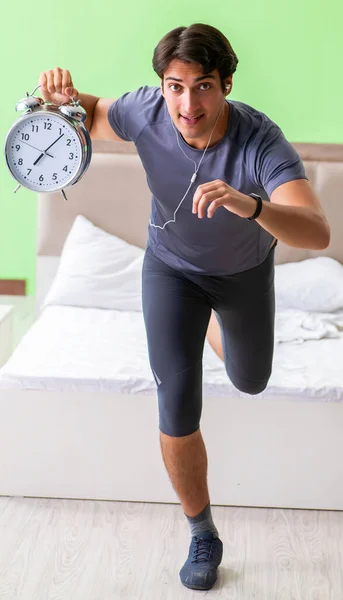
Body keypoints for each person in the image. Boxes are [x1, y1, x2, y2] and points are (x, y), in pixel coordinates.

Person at [38, 23, 330, 592]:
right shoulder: (147, 111)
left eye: (202, 87)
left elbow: (317, 232)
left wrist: (250, 205)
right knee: (176, 403)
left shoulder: (260, 142)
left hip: (242, 276)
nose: (187, 103)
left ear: (225, 85)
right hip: (169, 269)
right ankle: (202, 532)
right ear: (162, 85)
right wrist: (66, 103)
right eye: (175, 86)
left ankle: (210, 331)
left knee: (251, 380)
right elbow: (95, 112)